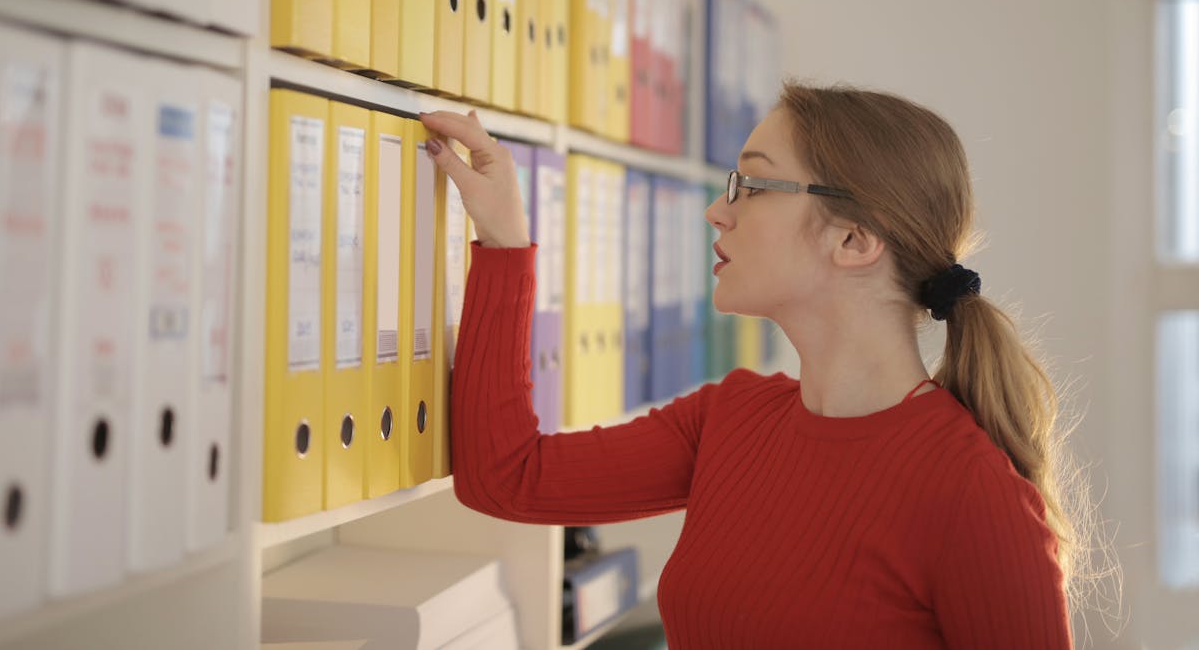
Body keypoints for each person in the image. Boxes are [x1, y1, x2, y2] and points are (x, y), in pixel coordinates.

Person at [418, 81, 1081, 649]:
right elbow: (506, 475)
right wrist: (503, 235)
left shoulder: (974, 493)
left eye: (750, 184)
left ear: (854, 239)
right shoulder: (728, 419)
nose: (718, 210)